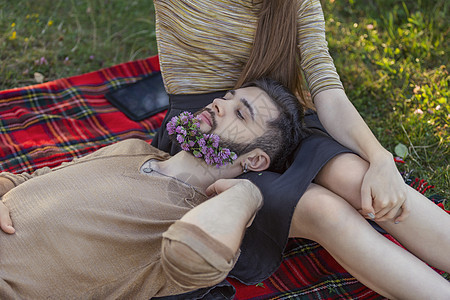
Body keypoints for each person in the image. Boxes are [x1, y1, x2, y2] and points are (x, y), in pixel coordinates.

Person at [150, 0, 450, 299]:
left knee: (356, 178)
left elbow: (329, 94)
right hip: (207, 126)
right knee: (323, 210)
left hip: (277, 116)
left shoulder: (297, 4)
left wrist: (380, 158)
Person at [0, 79, 306, 298]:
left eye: (241, 113)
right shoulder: (132, 148)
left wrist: (247, 194)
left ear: (255, 159)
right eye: (227, 96)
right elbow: (33, 178)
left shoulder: (196, 217)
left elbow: (199, 257)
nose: (219, 104)